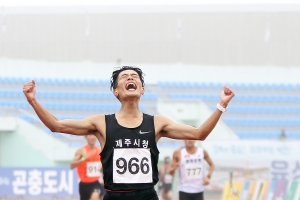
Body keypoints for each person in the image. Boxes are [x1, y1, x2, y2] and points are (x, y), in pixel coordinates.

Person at [23, 66, 234, 200]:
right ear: (116, 91)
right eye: (124, 77)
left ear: (142, 89)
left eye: (135, 76)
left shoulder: (158, 123)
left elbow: (199, 133)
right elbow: (56, 125)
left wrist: (221, 105)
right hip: (115, 196)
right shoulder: (101, 123)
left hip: (147, 196)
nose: (130, 78)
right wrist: (33, 101)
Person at [70, 134, 105, 200]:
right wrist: (84, 158)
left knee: (96, 196)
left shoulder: (99, 151)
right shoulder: (82, 151)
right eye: (90, 135)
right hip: (84, 184)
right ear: (86, 137)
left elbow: (104, 166)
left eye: (94, 135)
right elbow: (72, 165)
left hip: (96, 182)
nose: (92, 137)